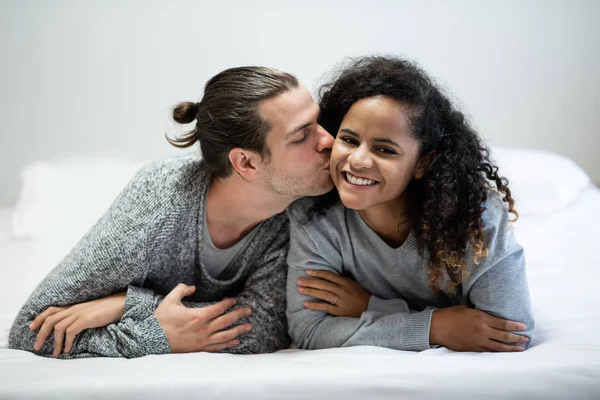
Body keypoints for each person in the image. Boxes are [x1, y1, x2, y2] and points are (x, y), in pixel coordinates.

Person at [9, 66, 334, 358]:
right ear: (246, 162)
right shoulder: (154, 211)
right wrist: (157, 334)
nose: (329, 140)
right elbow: (28, 330)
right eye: (302, 135)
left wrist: (127, 304)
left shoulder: (302, 207)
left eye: (319, 122)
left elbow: (266, 327)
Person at [286, 56, 535, 352]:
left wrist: (370, 307)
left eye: (385, 149)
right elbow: (309, 330)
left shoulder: (475, 220)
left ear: (422, 163)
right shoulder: (315, 215)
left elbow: (510, 330)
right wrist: (436, 327)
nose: (357, 160)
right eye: (349, 140)